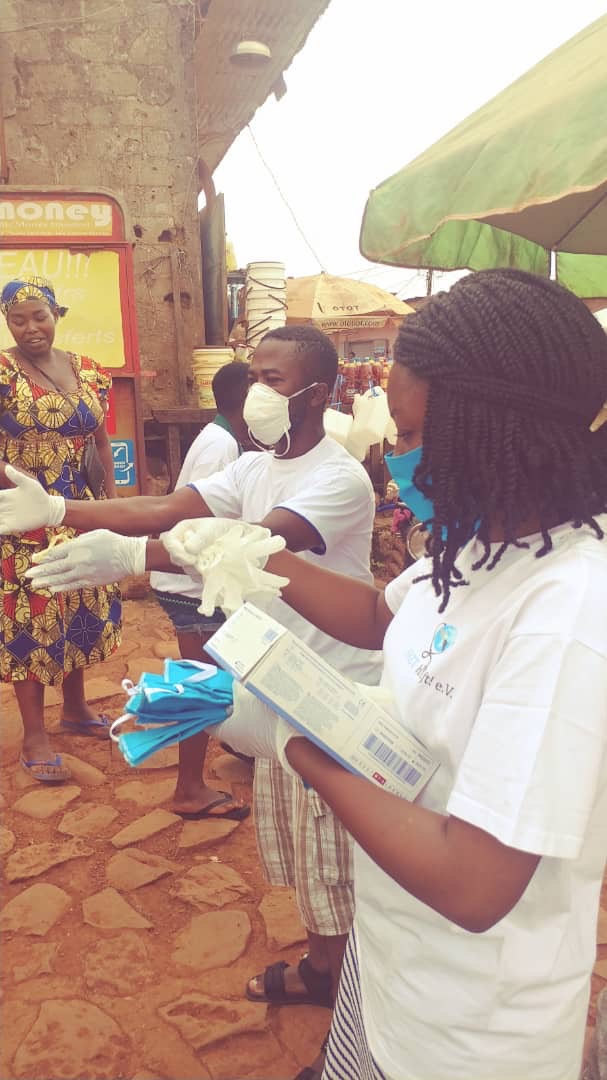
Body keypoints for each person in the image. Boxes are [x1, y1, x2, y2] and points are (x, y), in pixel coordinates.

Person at [4, 324, 382, 1080]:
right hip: (277, 678)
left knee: (336, 866)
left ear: (319, 393)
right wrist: (60, 510)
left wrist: (130, 556)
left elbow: (253, 544)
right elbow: (171, 505)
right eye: (254, 375)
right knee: (304, 857)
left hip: (332, 693)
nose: (258, 392)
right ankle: (320, 969)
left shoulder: (337, 480)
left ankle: (348, 1012)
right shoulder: (253, 462)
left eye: (276, 380)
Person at [0, 275, 121, 782]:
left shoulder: (87, 370)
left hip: (79, 509)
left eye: (39, 316)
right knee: (32, 619)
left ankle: (74, 709)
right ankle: (34, 735)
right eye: (18, 320)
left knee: (79, 606)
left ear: (56, 315)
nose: (30, 328)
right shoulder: (3, 372)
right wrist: (17, 495)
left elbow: (99, 440)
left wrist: (111, 502)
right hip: (23, 518)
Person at [150, 360, 252, 820]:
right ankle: (189, 788)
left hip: (194, 582)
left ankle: (236, 742)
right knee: (203, 684)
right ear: (245, 398)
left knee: (214, 675)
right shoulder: (221, 446)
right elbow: (199, 521)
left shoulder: (224, 439)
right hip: (190, 585)